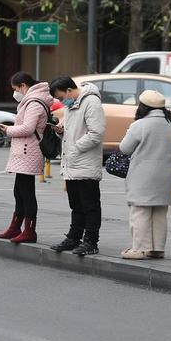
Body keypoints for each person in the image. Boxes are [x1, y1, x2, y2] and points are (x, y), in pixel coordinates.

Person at [48, 76, 106, 256]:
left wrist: (75, 147)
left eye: (61, 97)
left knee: (90, 205)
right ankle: (74, 237)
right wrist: (61, 131)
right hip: (72, 162)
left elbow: (96, 133)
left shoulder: (91, 103)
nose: (61, 101)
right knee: (76, 204)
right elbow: (71, 131)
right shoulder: (71, 105)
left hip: (85, 162)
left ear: (69, 91)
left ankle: (91, 241)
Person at [118, 90, 171, 260]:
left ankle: (139, 248)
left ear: (143, 106)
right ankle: (157, 248)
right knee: (159, 211)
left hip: (142, 176)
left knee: (140, 211)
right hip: (165, 175)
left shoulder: (140, 125)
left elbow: (125, 148)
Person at [0, 72, 54, 244]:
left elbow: (28, 128)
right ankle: (16, 227)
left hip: (29, 151)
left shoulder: (34, 103)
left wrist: (8, 130)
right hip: (24, 150)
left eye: (15, 89)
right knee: (19, 191)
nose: (15, 93)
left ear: (23, 86)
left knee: (26, 192)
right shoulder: (31, 100)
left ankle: (29, 231)